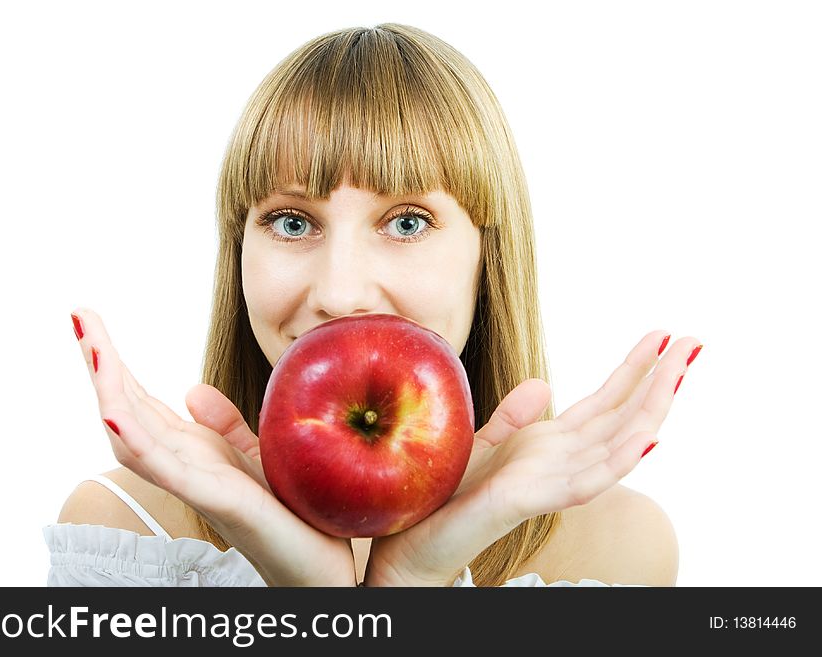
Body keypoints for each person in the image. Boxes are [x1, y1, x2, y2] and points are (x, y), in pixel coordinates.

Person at [46, 22, 701, 587]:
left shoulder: (621, 548)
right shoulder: (121, 535)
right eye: (293, 222)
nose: (341, 293)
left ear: (487, 257)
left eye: (407, 222)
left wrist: (411, 584)